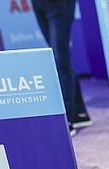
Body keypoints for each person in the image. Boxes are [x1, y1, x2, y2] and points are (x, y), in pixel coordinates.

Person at [33, 0, 91, 134]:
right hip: (39, 4)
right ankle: (79, 112)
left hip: (60, 5)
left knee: (60, 59)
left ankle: (67, 119)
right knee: (58, 58)